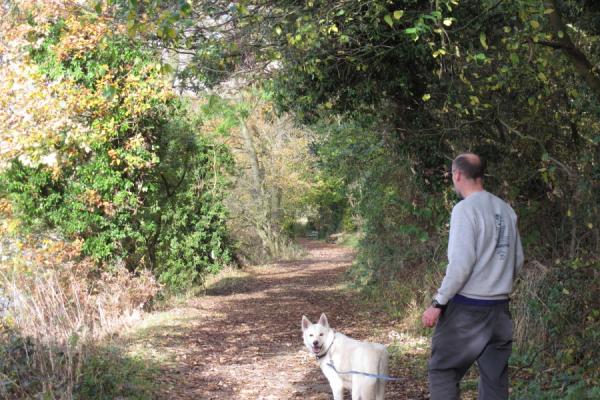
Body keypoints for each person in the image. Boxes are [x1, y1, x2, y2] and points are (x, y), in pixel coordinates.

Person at [422, 153, 524, 400]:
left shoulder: (465, 210)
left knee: (443, 370)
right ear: (481, 174)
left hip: (468, 311)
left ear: (457, 174)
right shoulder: (505, 209)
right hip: (500, 311)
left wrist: (438, 303)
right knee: (494, 380)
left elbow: (460, 265)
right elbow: (518, 260)